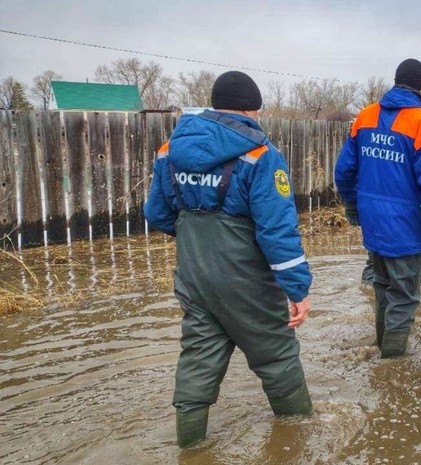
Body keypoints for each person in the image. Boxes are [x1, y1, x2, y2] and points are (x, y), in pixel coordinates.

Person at [144, 71, 313, 449]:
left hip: (193, 275)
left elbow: (157, 214)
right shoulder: (260, 154)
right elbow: (277, 231)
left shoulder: (169, 149)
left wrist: (197, 238)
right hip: (245, 279)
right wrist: (298, 289)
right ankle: (300, 438)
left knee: (199, 358)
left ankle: (190, 448)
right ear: (252, 109)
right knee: (277, 356)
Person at [335, 58, 421, 358]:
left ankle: (381, 348)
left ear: (395, 83)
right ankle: (392, 368)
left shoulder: (365, 116)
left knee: (382, 289)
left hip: (373, 223)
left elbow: (343, 171)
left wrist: (353, 207)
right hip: (405, 226)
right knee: (405, 298)